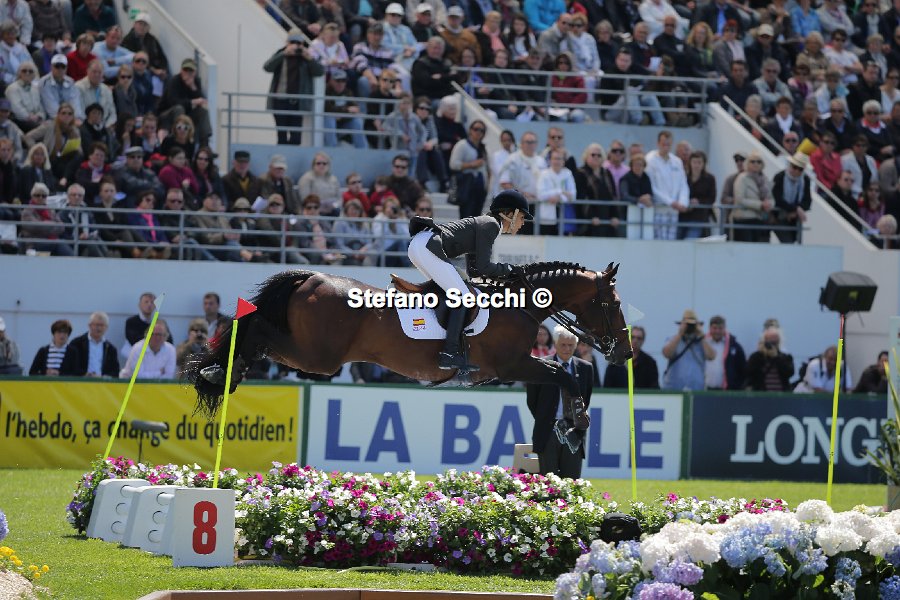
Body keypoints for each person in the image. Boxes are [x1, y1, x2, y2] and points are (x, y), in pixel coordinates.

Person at [407, 189, 530, 371]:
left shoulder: (485, 223)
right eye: (522, 217)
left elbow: (474, 269)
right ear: (510, 214)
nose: (523, 223)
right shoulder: (491, 225)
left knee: (456, 293)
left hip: (420, 246)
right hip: (427, 246)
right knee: (463, 297)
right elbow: (484, 267)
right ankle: (449, 353)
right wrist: (510, 269)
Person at [526, 326, 593, 478]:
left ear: (576, 346)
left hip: (574, 433)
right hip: (547, 432)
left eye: (571, 345)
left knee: (571, 482)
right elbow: (532, 401)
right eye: (563, 344)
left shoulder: (585, 368)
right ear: (555, 344)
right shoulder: (540, 366)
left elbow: (585, 400)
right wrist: (546, 419)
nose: (567, 349)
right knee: (548, 483)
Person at [645, 130, 689, 240]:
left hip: (674, 211)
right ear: (658, 143)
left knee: (671, 243)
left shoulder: (677, 161)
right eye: (663, 144)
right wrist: (670, 202)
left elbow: (683, 184)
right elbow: (652, 187)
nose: (666, 146)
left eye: (668, 144)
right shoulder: (650, 160)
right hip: (659, 209)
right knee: (659, 242)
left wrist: (683, 202)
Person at [158, 58, 212, 146]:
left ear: (195, 72)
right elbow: (173, 102)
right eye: (185, 70)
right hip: (167, 113)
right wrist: (192, 102)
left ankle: (205, 143)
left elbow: (201, 100)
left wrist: (193, 87)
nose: (188, 73)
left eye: (191, 71)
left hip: (186, 113)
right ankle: (178, 137)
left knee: (203, 112)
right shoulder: (174, 81)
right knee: (179, 109)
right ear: (181, 70)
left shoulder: (196, 81)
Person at [662, 309, 715, 391]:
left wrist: (701, 335)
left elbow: (711, 356)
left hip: (696, 390)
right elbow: (666, 353)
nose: (689, 327)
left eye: (692, 325)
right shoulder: (673, 339)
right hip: (673, 389)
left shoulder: (702, 342)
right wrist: (680, 334)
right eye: (687, 324)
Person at [574, 143, 620, 238]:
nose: (596, 157)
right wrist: (591, 216)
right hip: (589, 222)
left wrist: (615, 215)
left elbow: (613, 195)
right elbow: (582, 196)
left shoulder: (607, 173)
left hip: (607, 220)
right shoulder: (580, 173)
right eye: (593, 155)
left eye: (599, 155)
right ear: (586, 156)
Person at [449, 119, 489, 219]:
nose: (478, 132)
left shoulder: (483, 147)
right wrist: (471, 164)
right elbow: (453, 164)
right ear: (470, 130)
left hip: (480, 188)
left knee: (476, 219)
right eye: (476, 129)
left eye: (482, 130)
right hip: (467, 186)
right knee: (466, 217)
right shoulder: (462, 145)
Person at [60, 311, 119, 377]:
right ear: (89, 325)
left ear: (106, 327)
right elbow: (67, 368)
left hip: (102, 383)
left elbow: (115, 372)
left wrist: (104, 377)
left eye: (102, 325)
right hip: (81, 382)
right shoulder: (76, 344)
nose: (99, 328)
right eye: (96, 325)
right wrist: (84, 374)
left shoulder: (111, 349)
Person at [732, 150, 774, 243]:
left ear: (762, 164)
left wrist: (769, 204)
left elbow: (771, 198)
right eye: (752, 161)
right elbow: (739, 199)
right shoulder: (742, 178)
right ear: (747, 163)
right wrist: (760, 205)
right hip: (744, 219)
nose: (756, 164)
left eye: (759, 162)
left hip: (760, 219)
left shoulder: (765, 179)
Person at [773, 151, 812, 243]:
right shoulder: (780, 177)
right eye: (794, 167)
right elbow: (778, 199)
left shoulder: (805, 180)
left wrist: (796, 211)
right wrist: (796, 209)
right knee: (788, 242)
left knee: (793, 241)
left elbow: (807, 201)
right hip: (779, 216)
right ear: (790, 165)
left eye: (800, 169)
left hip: (794, 218)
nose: (796, 171)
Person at [704, 315, 746, 390]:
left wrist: (736, 386)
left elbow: (742, 369)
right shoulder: (703, 344)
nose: (717, 331)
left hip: (726, 391)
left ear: (725, 328)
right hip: (704, 389)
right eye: (715, 328)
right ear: (709, 328)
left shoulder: (734, 346)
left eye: (720, 328)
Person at [746, 326, 794, 391]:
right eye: (770, 342)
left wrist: (776, 357)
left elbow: (789, 373)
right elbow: (749, 373)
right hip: (761, 393)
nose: (772, 345)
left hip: (781, 394)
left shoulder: (785, 357)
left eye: (775, 342)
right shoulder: (756, 357)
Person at [297, 152, 341, 216]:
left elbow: (339, 198)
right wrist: (319, 207)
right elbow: (304, 199)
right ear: (313, 165)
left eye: (324, 163)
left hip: (332, 210)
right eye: (318, 163)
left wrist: (334, 205)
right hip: (313, 211)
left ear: (328, 165)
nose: (321, 165)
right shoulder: (306, 178)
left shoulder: (334, 179)